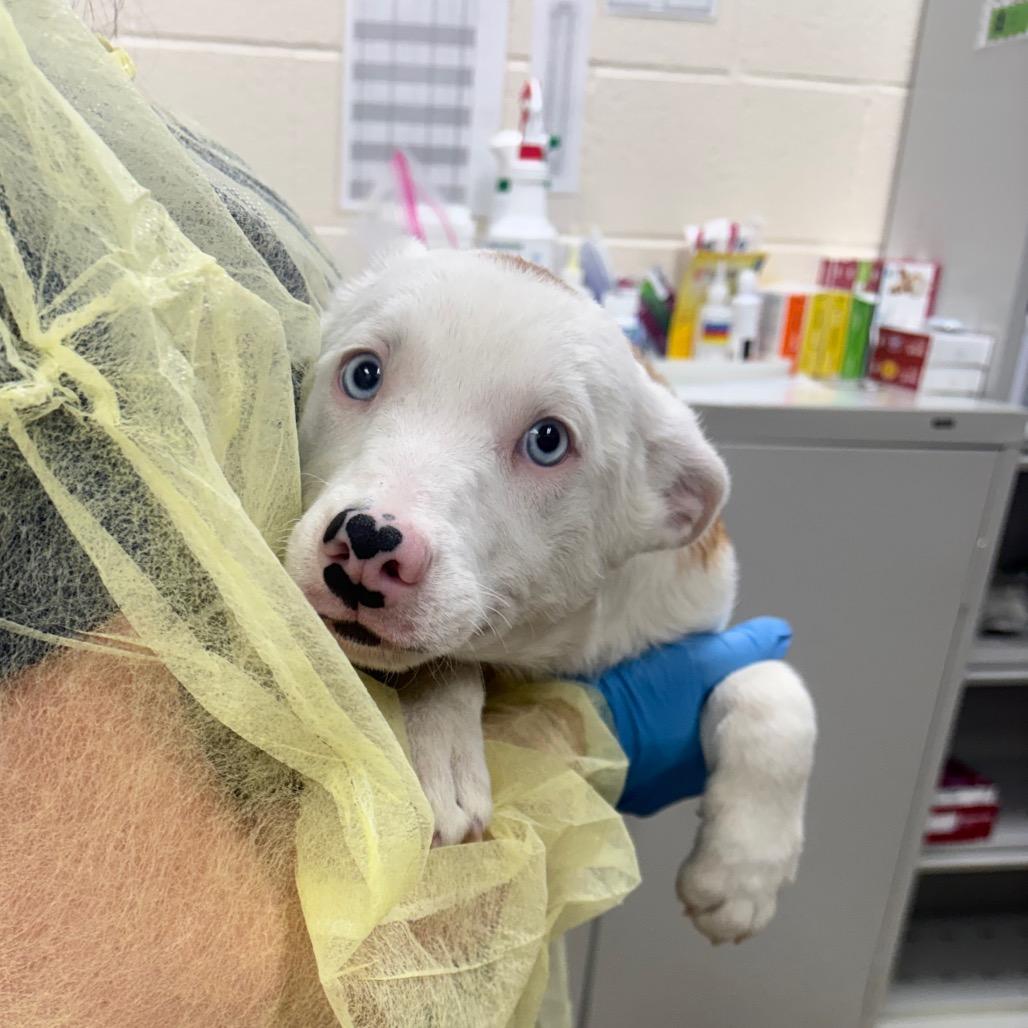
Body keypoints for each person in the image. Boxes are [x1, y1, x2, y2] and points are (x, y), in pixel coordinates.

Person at [0, 5, 791, 1023]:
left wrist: (754, 724)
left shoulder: (90, 105)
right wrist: (536, 718)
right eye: (364, 375)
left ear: (669, 505)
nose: (379, 527)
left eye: (543, 441)